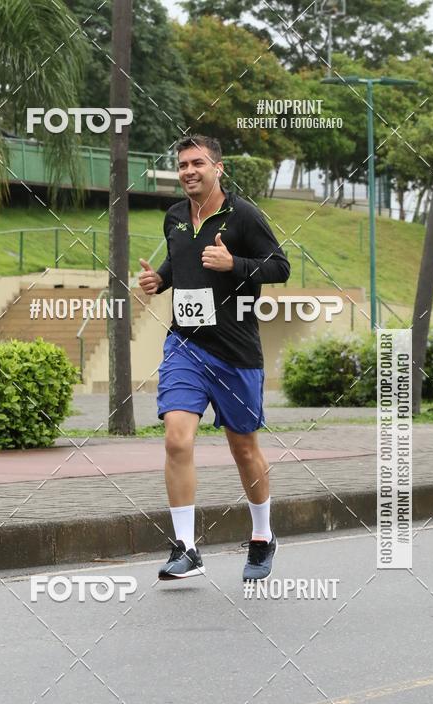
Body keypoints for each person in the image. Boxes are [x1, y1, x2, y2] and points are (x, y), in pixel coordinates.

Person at [138, 135, 290, 582]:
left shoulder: (243, 216)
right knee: (177, 439)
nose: (189, 171)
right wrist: (159, 280)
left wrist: (234, 265)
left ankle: (262, 535)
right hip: (185, 346)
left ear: (217, 168)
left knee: (243, 448)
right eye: (183, 164)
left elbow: (279, 266)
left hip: (235, 352)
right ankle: (186, 547)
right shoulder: (174, 216)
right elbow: (180, 262)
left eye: (197, 163)